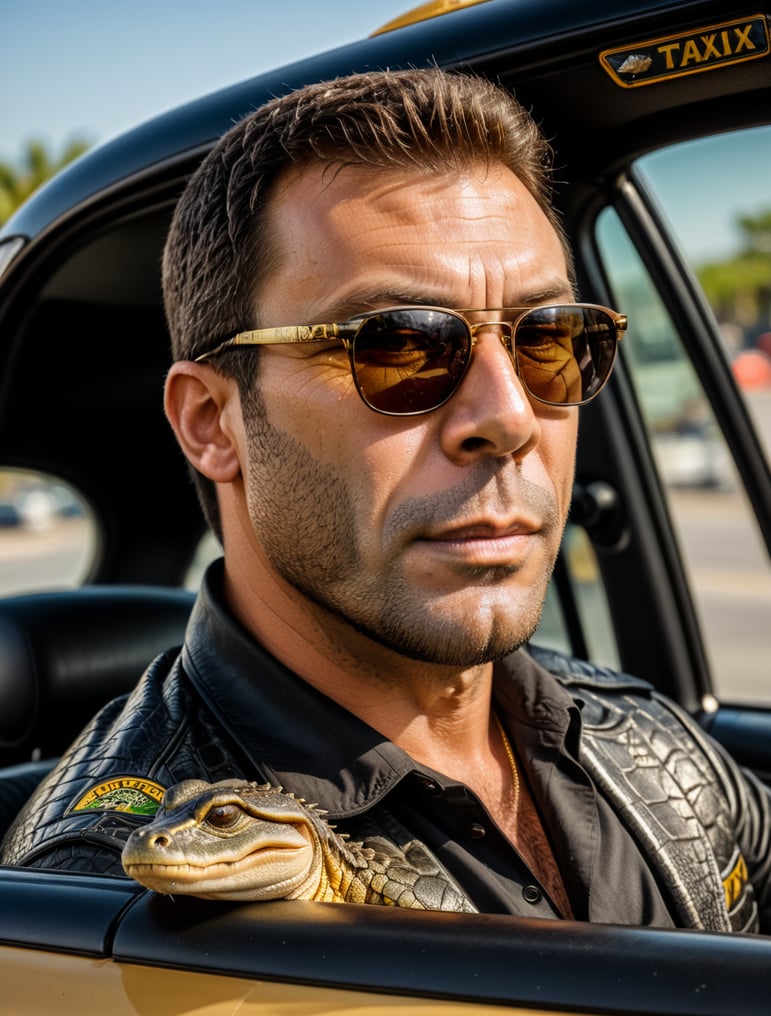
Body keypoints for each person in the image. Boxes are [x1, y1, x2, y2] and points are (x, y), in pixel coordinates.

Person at [2, 68, 769, 932]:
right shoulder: (102, 898)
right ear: (212, 422)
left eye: (551, 340)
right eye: (399, 348)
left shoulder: (649, 740)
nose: (510, 417)